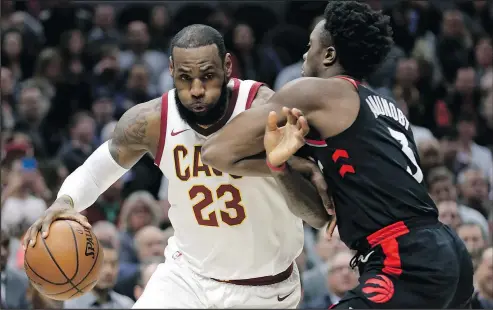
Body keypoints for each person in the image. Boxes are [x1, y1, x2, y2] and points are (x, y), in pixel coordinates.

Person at [22, 24, 329, 309]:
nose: (196, 89)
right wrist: (65, 201)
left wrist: (285, 165)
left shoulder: (264, 109)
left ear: (227, 66)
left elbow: (316, 212)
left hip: (264, 288)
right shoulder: (152, 120)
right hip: (187, 277)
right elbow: (98, 168)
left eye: (207, 75)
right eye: (185, 77)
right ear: (170, 70)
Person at [201, 2, 474, 308]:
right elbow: (320, 216)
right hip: (442, 252)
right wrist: (284, 166)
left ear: (329, 55)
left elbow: (215, 152)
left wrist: (298, 162)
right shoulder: (385, 110)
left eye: (310, 46)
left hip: (405, 257)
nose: (305, 54)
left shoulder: (316, 93)